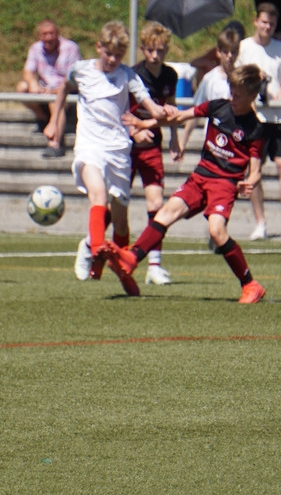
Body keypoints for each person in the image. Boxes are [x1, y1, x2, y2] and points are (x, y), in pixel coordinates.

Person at [110, 64, 267, 304]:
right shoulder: (218, 106)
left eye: (238, 95)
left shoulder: (255, 128)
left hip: (225, 183)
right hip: (201, 176)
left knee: (217, 231)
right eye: (232, 92)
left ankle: (250, 285)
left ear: (252, 96)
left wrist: (249, 182)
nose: (232, 98)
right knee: (166, 212)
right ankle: (132, 258)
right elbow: (179, 116)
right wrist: (145, 124)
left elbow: (255, 171)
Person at [43, 20, 170, 296]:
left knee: (121, 220)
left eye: (118, 55)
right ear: (99, 47)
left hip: (118, 150)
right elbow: (63, 89)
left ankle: (117, 268)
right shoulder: (81, 70)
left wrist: (161, 112)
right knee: (98, 195)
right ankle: (97, 250)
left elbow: (149, 104)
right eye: (108, 53)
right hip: (90, 146)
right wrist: (54, 121)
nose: (112, 60)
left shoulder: (128, 76)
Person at [236, 3, 281, 241]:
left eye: (272, 24)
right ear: (256, 21)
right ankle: (260, 223)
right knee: (254, 171)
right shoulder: (244, 47)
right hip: (254, 118)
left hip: (276, 118)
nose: (267, 27)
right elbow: (236, 78)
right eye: (264, 22)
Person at [126, 21, 179, 285]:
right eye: (150, 50)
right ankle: (97, 248)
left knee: (156, 205)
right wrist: (133, 131)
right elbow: (120, 112)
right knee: (116, 204)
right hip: (125, 147)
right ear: (142, 49)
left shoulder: (170, 75)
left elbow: (171, 107)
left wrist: (175, 138)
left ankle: (154, 266)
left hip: (152, 147)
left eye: (160, 50)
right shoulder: (132, 75)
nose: (155, 55)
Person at [16, 18, 81, 156]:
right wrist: (33, 83)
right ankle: (43, 119)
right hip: (45, 90)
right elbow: (27, 72)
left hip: (66, 91)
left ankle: (55, 143)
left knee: (54, 100)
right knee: (22, 87)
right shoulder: (35, 48)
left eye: (51, 33)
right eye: (45, 34)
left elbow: (74, 79)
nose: (48, 38)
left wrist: (54, 91)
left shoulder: (70, 48)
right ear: (39, 36)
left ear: (58, 33)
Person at [178, 25, 242, 158]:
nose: (230, 56)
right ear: (218, 52)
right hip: (214, 141)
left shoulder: (242, 79)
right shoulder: (210, 79)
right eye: (226, 52)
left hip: (236, 141)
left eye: (233, 52)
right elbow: (197, 110)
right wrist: (183, 141)